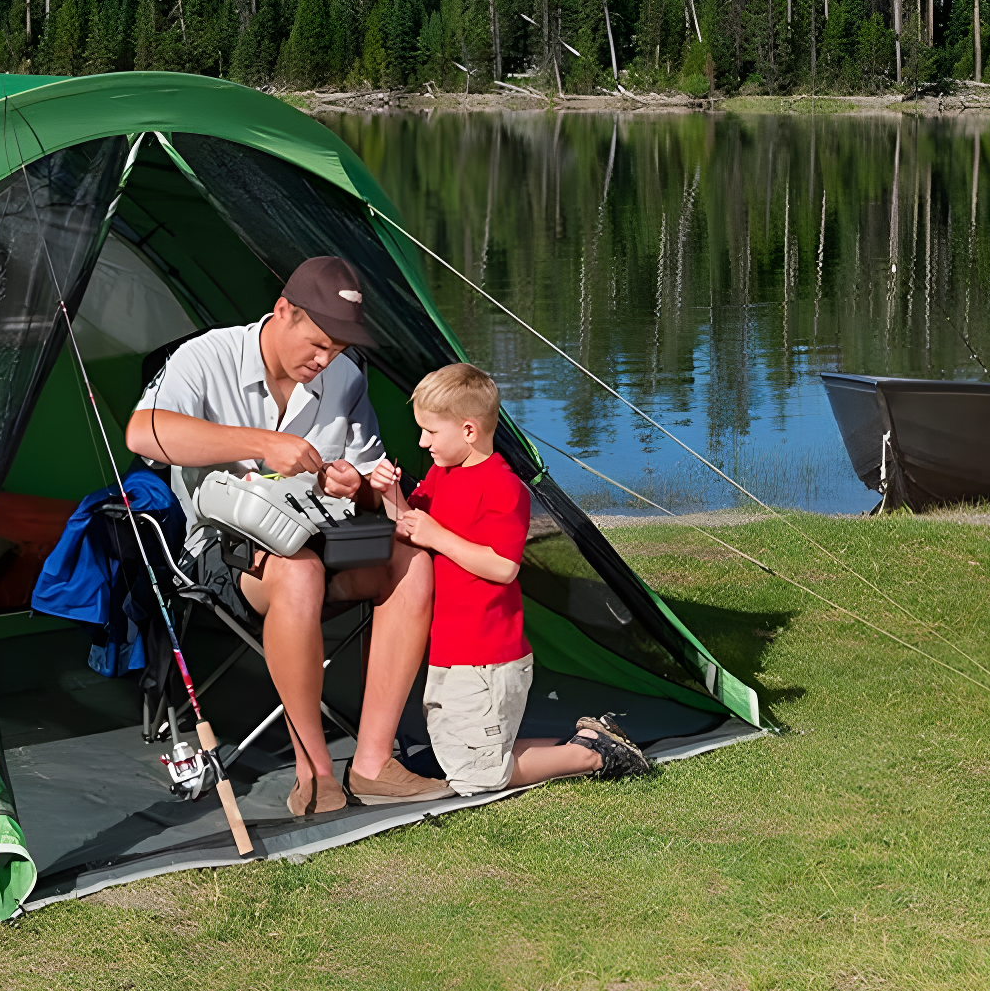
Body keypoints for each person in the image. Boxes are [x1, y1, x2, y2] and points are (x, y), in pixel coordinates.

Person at [124, 256, 449, 817]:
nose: (325, 361)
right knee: (298, 571)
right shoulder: (205, 357)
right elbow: (143, 433)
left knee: (411, 558)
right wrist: (260, 443)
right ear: (282, 312)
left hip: (323, 532)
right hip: (224, 552)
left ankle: (373, 764)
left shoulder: (344, 377)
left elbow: (371, 485)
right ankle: (316, 773)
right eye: (319, 344)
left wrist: (358, 488)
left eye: (339, 350)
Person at [367, 363, 652, 797]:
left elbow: (503, 566)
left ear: (467, 430)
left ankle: (592, 754)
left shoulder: (503, 486)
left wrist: (438, 536)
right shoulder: (445, 474)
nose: (422, 442)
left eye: (429, 431)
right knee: (461, 755)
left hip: (487, 658)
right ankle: (589, 739)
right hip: (450, 650)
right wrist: (389, 494)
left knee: (476, 777)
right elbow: (411, 525)